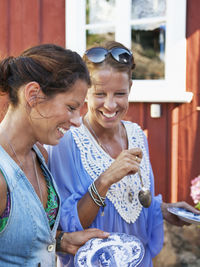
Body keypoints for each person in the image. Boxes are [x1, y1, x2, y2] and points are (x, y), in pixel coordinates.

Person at [46, 41, 200, 267]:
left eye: (120, 93)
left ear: (130, 89)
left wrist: (166, 210)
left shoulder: (137, 134)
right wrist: (106, 178)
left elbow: (133, 201)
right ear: (85, 92)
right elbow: (68, 228)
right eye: (100, 93)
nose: (110, 105)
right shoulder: (66, 142)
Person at [0, 43, 110, 267]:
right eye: (71, 107)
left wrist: (61, 240)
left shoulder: (39, 154)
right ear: (33, 95)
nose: (78, 121)